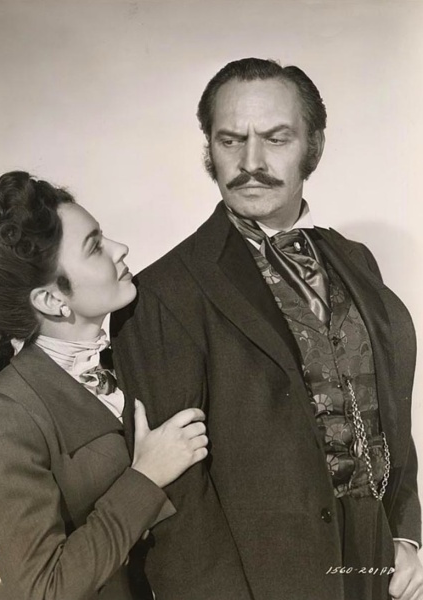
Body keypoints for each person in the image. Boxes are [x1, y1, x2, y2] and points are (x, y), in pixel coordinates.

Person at [111, 58, 423, 600]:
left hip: (378, 567)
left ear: (313, 146)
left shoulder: (356, 259)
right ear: (209, 149)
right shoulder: (163, 292)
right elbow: (179, 502)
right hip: (260, 582)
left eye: (276, 139)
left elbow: (388, 412)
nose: (250, 163)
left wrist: (406, 536)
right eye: (231, 141)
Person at [0, 171, 208, 600]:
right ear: (52, 300)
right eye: (94, 246)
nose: (120, 249)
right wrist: (146, 476)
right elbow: (43, 589)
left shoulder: (133, 355)